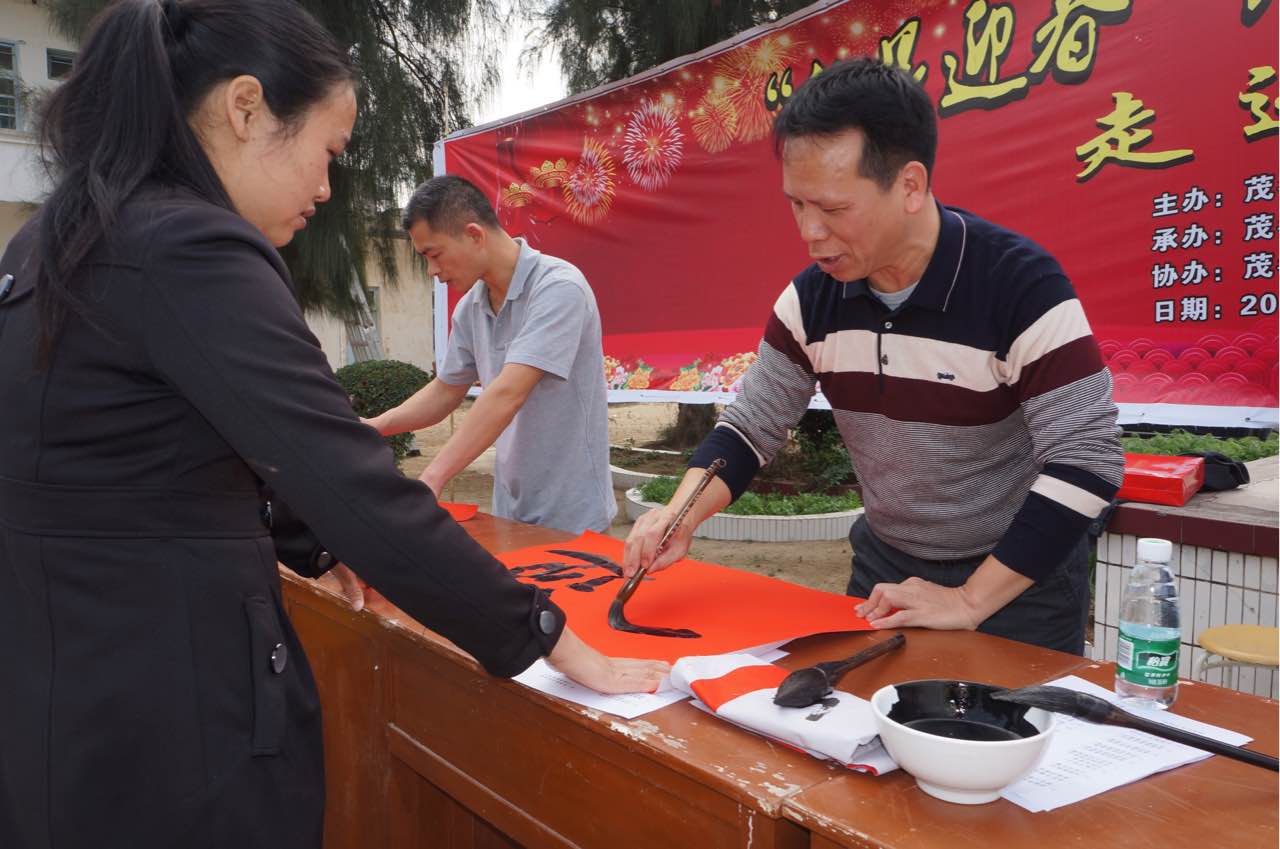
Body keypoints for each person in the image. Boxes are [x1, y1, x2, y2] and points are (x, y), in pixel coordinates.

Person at [0, 2, 665, 847]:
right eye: (328, 152)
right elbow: (353, 483)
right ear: (246, 109)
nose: (325, 188)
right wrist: (547, 634)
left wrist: (314, 538)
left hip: (63, 711)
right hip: (174, 733)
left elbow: (138, 468)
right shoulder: (191, 248)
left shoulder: (54, 241)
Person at [624, 58, 1123, 656]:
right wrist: (676, 517)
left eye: (833, 210)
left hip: (1015, 584)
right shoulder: (811, 300)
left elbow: (1087, 459)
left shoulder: (1019, 285)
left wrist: (969, 600)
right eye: (796, 205)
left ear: (910, 185)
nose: (810, 232)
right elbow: (749, 429)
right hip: (883, 572)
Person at [366, 175, 616, 535]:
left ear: (474, 235)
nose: (432, 272)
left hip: (572, 516)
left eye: (433, 255)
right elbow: (446, 390)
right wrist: (379, 425)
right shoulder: (471, 307)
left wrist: (433, 477)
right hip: (510, 510)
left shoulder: (558, 288)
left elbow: (507, 394)